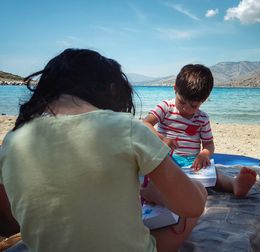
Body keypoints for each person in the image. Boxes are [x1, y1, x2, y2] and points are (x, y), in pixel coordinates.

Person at [0, 49, 207, 252]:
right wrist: (181, 193)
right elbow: (192, 206)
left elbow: (10, 221)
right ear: (113, 90)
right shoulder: (127, 128)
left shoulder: (12, 140)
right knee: (199, 194)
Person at [143, 64, 257, 198]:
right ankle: (154, 193)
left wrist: (203, 155)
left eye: (193, 106)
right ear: (175, 89)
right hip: (166, 159)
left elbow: (209, 144)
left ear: (203, 101)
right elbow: (145, 124)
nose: (186, 108)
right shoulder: (165, 107)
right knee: (153, 174)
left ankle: (234, 184)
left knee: (215, 174)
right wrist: (161, 139)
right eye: (182, 102)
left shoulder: (202, 118)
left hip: (192, 162)